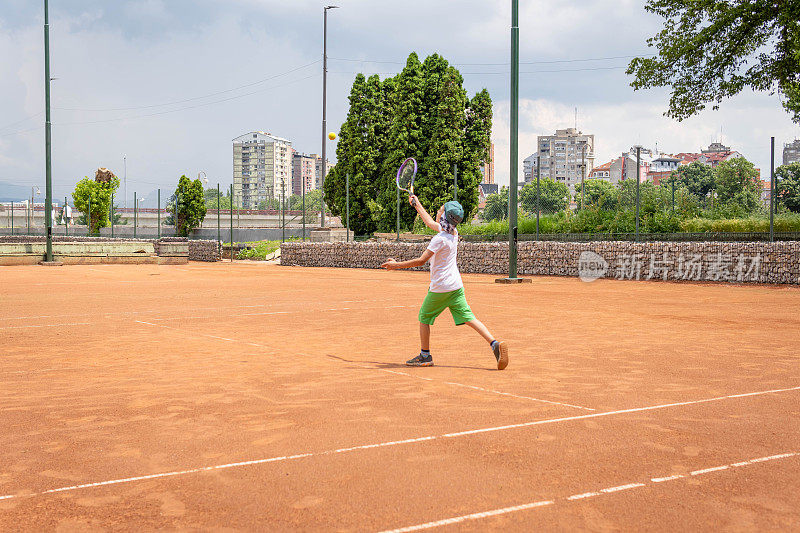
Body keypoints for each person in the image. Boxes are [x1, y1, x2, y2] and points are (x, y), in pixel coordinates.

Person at [381, 196, 508, 370]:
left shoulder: (439, 239)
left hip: (440, 288)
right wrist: (417, 204)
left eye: (441, 210)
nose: (438, 211)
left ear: (444, 217)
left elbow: (420, 261)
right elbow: (430, 223)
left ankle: (425, 355)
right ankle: (495, 344)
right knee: (470, 318)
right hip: (456, 287)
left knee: (424, 317)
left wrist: (395, 265)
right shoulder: (453, 233)